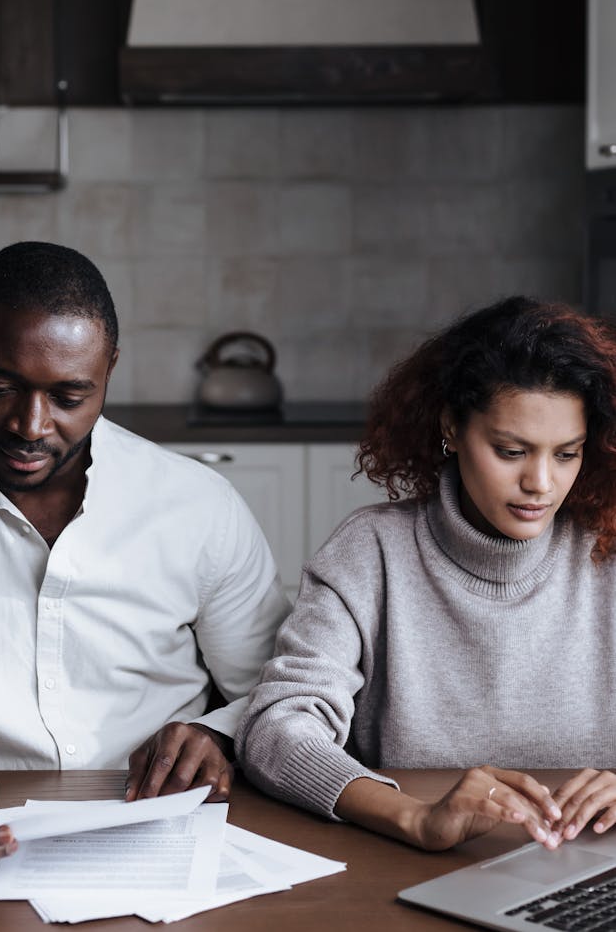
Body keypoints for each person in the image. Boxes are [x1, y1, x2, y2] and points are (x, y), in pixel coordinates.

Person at [0, 241, 289, 880]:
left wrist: (222, 734)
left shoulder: (197, 504)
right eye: (1, 386)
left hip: (158, 836)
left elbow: (280, 686)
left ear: (109, 369)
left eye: (69, 396)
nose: (31, 426)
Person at [236, 296, 616, 853]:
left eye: (567, 453)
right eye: (511, 451)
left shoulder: (607, 552)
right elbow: (276, 729)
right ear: (452, 429)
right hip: (407, 863)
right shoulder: (370, 552)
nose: (541, 482)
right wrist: (414, 818)